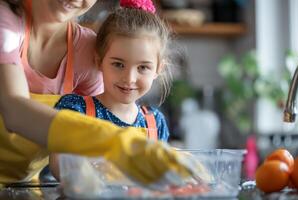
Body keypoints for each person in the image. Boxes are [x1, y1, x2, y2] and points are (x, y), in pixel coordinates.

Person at [0, 0, 198, 187]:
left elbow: (98, 119)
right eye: (119, 64)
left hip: (21, 185)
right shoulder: (5, 22)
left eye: (143, 67)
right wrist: (118, 143)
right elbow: (14, 110)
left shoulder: (86, 49)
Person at [50, 1, 173, 179]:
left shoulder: (155, 124)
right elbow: (58, 164)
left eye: (143, 68)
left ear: (158, 69)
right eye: (118, 64)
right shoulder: (76, 111)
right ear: (99, 61)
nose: (129, 78)